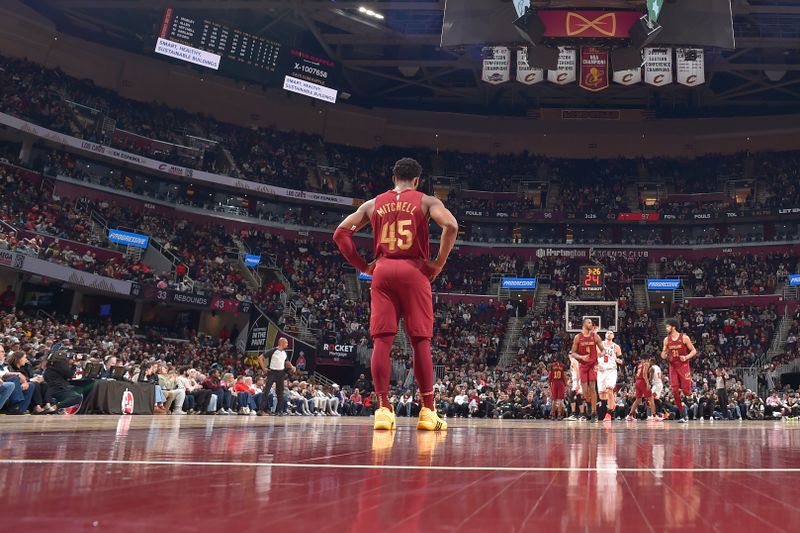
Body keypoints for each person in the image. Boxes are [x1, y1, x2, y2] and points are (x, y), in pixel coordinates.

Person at [333, 157, 457, 432]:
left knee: (382, 342)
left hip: (383, 271)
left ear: (393, 179)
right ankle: (427, 412)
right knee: (420, 341)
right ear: (416, 181)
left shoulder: (372, 203)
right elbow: (451, 226)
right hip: (414, 271)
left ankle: (383, 410)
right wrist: (438, 262)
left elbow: (340, 234)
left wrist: (364, 266)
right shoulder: (426, 201)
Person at [661, 317, 698, 424]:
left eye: (668, 326)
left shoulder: (684, 338)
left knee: (686, 392)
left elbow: (694, 351)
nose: (666, 328)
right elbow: (664, 353)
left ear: (673, 327)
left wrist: (686, 357)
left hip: (683, 365)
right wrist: (663, 354)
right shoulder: (666, 340)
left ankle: (691, 394)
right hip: (673, 366)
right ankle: (683, 414)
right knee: (675, 390)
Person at [569, 318, 605, 422]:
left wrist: (601, 354)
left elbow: (603, 350)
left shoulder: (595, 336)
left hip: (593, 364)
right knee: (584, 391)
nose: (591, 324)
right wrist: (581, 357)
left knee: (593, 388)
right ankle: (588, 402)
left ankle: (594, 412)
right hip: (583, 365)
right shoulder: (577, 337)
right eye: (589, 322)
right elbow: (573, 353)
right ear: (584, 324)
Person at [257, 337, 296, 416]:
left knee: (280, 393)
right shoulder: (273, 351)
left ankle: (280, 411)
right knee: (266, 391)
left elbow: (287, 361)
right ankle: (261, 410)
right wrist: (264, 368)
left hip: (281, 373)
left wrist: (292, 366)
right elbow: (260, 358)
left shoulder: (285, 353)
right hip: (272, 372)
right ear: (281, 343)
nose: (287, 344)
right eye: (286, 343)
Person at [598, 330, 622, 422]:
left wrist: (620, 361)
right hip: (601, 371)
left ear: (613, 336)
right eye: (607, 333)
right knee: (602, 396)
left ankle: (609, 413)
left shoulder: (616, 347)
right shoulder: (599, 345)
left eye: (611, 333)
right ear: (605, 335)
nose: (609, 334)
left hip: (611, 370)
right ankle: (613, 400)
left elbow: (621, 360)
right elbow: (595, 355)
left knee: (609, 389)